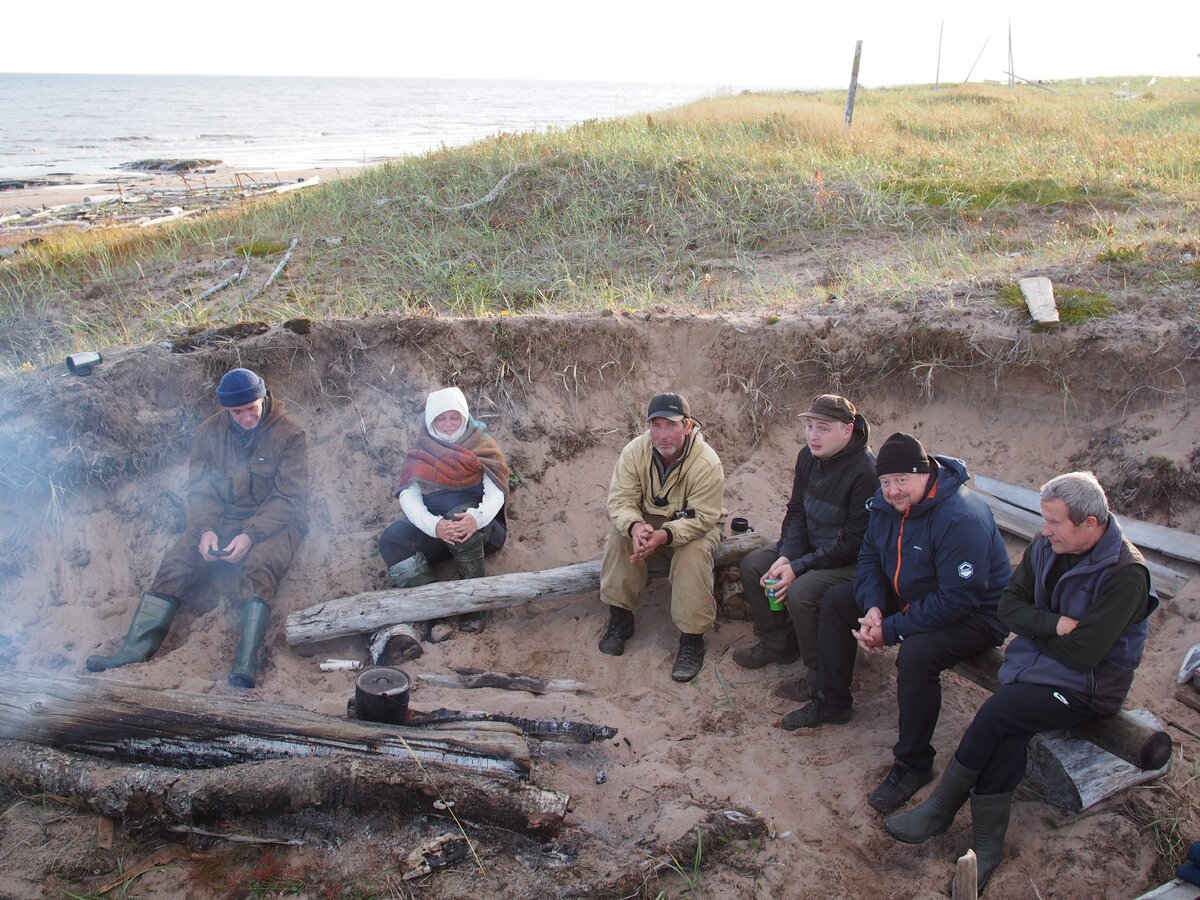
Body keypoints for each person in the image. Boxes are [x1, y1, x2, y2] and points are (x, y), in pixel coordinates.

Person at [885, 472, 1156, 894]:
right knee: (1008, 731)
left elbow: (1085, 654)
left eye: (1054, 522)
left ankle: (941, 808)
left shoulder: (1126, 574)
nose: (1044, 530)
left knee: (999, 711)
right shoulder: (1047, 545)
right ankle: (986, 847)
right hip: (1036, 669)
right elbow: (1008, 608)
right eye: (1043, 520)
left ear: (1090, 523)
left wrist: (1039, 634)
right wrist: (1053, 625)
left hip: (1088, 687)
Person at [781, 433, 1011, 815]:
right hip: (913, 592)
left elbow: (958, 599)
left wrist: (891, 629)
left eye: (901, 480)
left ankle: (913, 764)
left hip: (974, 614)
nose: (892, 490)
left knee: (917, 654)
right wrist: (873, 607)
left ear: (924, 474)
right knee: (839, 600)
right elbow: (869, 556)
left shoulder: (961, 517)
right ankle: (832, 699)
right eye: (886, 481)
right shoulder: (887, 506)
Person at [87, 367, 308, 688]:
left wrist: (250, 535)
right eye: (237, 412)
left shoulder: (289, 434)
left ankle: (245, 664)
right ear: (226, 410)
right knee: (176, 562)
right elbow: (201, 490)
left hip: (277, 522)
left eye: (252, 409)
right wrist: (205, 530)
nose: (247, 417)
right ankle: (134, 650)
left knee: (260, 567)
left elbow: (289, 498)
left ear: (264, 398)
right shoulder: (209, 433)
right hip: (223, 520)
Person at [734, 394, 877, 702]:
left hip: (850, 562)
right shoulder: (807, 458)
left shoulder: (866, 472)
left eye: (823, 428)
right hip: (812, 546)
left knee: (802, 592)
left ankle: (819, 673)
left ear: (847, 430)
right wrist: (786, 555)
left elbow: (853, 544)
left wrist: (798, 568)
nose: (813, 435)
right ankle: (779, 645)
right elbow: (796, 513)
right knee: (756, 564)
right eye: (810, 426)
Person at [597, 392, 725, 682]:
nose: (662, 434)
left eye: (672, 425)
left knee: (692, 555)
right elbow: (621, 501)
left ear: (688, 426)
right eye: (656, 425)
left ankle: (692, 638)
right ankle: (620, 617)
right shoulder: (634, 451)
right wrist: (635, 527)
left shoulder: (707, 463)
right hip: (651, 521)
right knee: (619, 538)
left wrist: (665, 535)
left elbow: (704, 517)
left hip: (696, 526)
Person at [379, 387, 509, 634]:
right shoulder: (422, 451)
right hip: (440, 531)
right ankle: (432, 607)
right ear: (431, 421)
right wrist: (435, 526)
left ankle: (475, 604)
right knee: (391, 540)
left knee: (458, 517)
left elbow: (496, 492)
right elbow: (409, 495)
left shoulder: (482, 445)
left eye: (454, 417)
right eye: (441, 418)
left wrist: (476, 518)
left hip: (483, 530)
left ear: (464, 416)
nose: (448, 424)